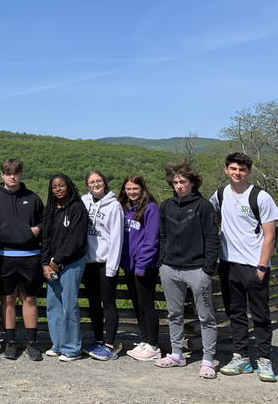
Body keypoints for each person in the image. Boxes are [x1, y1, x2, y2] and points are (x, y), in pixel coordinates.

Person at [212, 153, 278, 381]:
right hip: (229, 263)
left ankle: (264, 360)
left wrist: (261, 266)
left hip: (254, 264)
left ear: (249, 171)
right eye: (233, 168)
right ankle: (241, 357)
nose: (237, 173)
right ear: (226, 170)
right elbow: (214, 219)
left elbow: (270, 235)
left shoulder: (261, 197)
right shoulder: (220, 194)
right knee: (236, 312)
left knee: (260, 314)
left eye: (241, 169)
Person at [155, 160, 220, 379]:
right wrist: (161, 262)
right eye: (176, 182)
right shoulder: (166, 206)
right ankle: (176, 355)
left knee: (206, 316)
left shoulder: (204, 206)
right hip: (170, 268)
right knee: (174, 314)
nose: (179, 185)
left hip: (197, 269)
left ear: (192, 182)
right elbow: (162, 236)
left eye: (183, 181)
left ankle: (208, 360)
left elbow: (212, 238)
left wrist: (208, 269)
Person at [0, 158, 45, 362]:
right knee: (7, 299)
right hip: (4, 256)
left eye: (16, 172)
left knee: (29, 299)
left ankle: (32, 342)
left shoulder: (33, 197)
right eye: (8, 172)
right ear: (2, 175)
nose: (12, 176)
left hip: (30, 256)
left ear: (21, 174)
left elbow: (44, 221)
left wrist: (36, 229)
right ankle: (10, 341)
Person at [41, 174, 88, 362]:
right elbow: (45, 238)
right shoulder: (50, 210)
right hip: (51, 264)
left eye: (61, 185)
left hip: (71, 263)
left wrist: (56, 261)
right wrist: (45, 263)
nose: (58, 189)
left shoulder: (77, 208)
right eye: (54, 187)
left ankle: (72, 348)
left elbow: (75, 240)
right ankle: (58, 345)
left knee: (69, 305)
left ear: (68, 186)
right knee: (53, 306)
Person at [80, 170, 124, 361]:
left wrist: (112, 267)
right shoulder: (84, 201)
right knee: (93, 304)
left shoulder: (114, 206)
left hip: (106, 262)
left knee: (108, 303)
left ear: (105, 182)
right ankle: (98, 340)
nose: (95, 184)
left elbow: (117, 238)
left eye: (99, 181)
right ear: (87, 185)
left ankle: (109, 344)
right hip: (88, 261)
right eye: (92, 182)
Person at [118, 175, 162, 362]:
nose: (132, 192)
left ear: (143, 188)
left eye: (135, 188)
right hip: (129, 266)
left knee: (146, 304)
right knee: (138, 304)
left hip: (144, 266)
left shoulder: (151, 209)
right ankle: (144, 341)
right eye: (128, 189)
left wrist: (142, 264)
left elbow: (151, 241)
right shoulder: (126, 209)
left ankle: (153, 345)